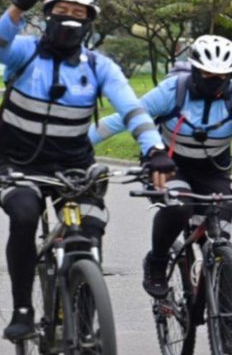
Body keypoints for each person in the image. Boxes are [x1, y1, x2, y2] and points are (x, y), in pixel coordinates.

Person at [0, 0, 175, 341]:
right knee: (24, 215)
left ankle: (85, 320)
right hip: (17, 163)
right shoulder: (24, 53)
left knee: (88, 231)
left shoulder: (99, 67)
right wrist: (21, 4)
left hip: (74, 166)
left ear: (89, 22)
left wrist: (154, 150)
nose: (70, 19)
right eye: (63, 11)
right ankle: (23, 308)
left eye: (80, 13)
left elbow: (133, 110)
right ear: (49, 14)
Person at [90, 35, 232, 299]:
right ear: (194, 68)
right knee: (180, 207)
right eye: (207, 74)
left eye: (222, 76)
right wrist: (76, 144)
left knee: (225, 213)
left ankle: (220, 282)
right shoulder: (172, 91)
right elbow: (124, 119)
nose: (215, 81)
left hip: (212, 169)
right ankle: (157, 262)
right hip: (168, 165)